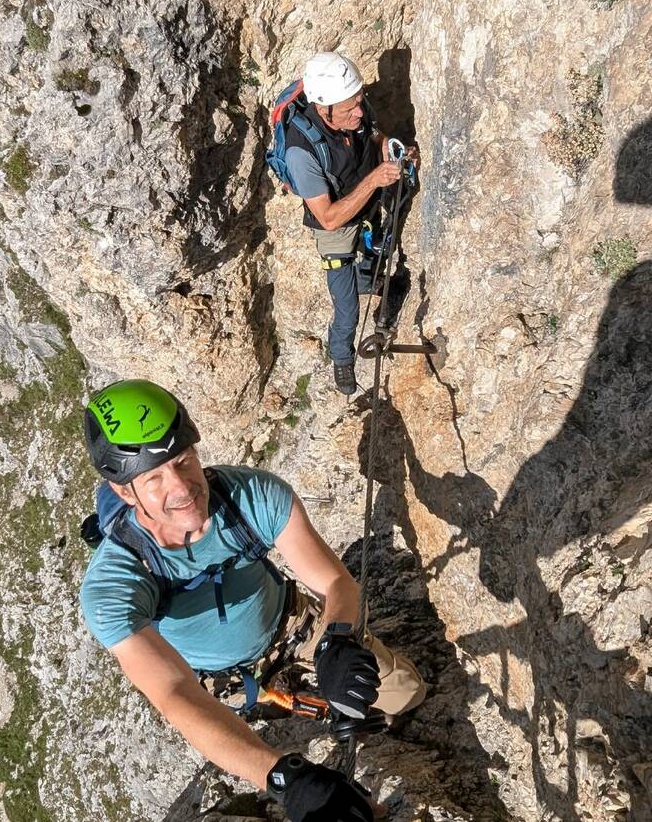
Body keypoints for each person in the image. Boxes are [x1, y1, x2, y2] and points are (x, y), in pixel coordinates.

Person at [79, 379, 426, 820]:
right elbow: (173, 691)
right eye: (155, 478)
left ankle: (339, 698)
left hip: (291, 625)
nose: (183, 487)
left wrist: (337, 640)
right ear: (124, 492)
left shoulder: (251, 496)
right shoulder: (114, 585)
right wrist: (285, 777)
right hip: (215, 679)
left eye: (184, 461)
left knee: (406, 693)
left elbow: (336, 584)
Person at [283, 52, 414, 396]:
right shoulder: (302, 153)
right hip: (337, 225)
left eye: (359, 102)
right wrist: (373, 180)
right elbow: (328, 218)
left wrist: (389, 146)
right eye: (349, 109)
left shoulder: (353, 107)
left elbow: (371, 134)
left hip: (365, 203)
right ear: (324, 110)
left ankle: (372, 281)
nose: (358, 111)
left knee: (373, 253)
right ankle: (342, 357)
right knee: (347, 308)